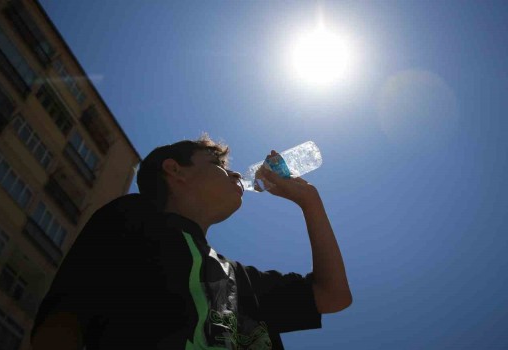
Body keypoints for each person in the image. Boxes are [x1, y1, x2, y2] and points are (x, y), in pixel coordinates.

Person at [31, 134, 352, 349]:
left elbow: (333, 296)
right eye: (218, 166)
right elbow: (63, 323)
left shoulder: (239, 280)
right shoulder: (133, 217)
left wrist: (310, 201)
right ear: (175, 171)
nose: (237, 175)